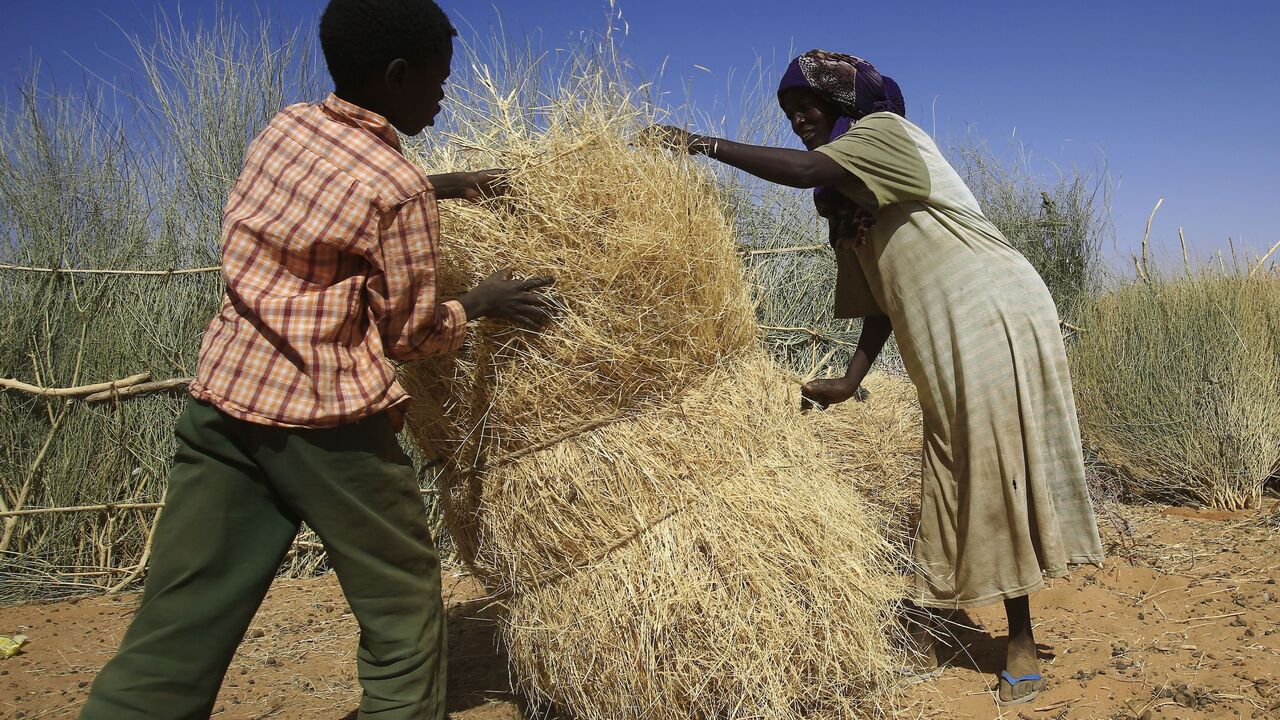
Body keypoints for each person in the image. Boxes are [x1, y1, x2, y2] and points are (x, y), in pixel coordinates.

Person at [78, 2, 557, 718]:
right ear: (397, 76)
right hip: (330, 430)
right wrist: (481, 302)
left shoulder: (288, 127)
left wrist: (444, 182)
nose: (443, 95)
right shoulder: (394, 190)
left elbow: (327, 202)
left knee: (178, 628)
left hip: (222, 408)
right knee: (402, 618)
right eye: (437, 81)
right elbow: (413, 337)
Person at [652, 50, 1104, 707]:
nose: (798, 118)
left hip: (989, 307)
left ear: (844, 102)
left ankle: (1021, 640)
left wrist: (699, 143)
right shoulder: (840, 198)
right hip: (937, 327)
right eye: (788, 111)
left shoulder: (884, 137)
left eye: (808, 103)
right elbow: (880, 300)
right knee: (951, 460)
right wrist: (850, 375)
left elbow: (807, 165)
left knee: (990, 458)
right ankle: (943, 605)